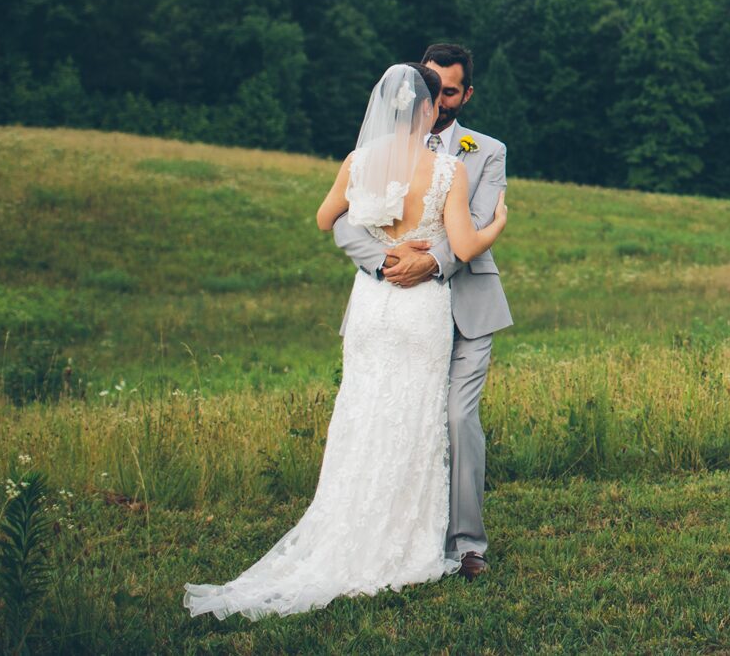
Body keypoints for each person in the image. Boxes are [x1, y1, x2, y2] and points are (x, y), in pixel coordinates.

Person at [182, 62, 507, 620]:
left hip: (371, 310)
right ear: (429, 110)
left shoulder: (360, 162)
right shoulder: (448, 170)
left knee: (362, 411)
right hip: (417, 311)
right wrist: (497, 223)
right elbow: (464, 243)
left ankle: (347, 528)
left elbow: (325, 218)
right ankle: (401, 541)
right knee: (411, 416)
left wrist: (381, 248)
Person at [329, 42, 513, 578]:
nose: (438, 98)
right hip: (393, 304)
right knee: (390, 414)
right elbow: (343, 218)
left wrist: (430, 263)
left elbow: (474, 225)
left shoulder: (487, 151)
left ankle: (468, 544)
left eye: (450, 90)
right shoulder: (380, 144)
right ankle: (391, 532)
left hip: (466, 307)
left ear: (465, 94)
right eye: (431, 85)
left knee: (456, 417)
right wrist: (384, 262)